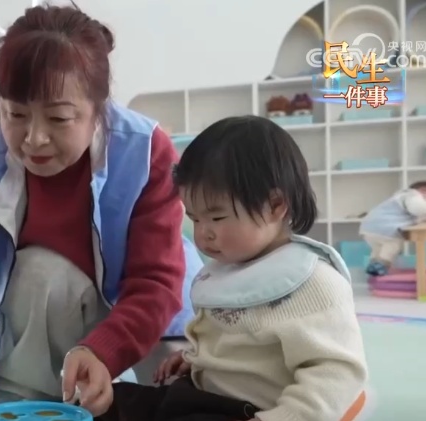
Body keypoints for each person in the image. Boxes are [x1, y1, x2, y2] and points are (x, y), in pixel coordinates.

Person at [0, 3, 203, 417]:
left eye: (59, 118)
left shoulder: (144, 153)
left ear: (98, 110)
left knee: (168, 395)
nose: (34, 138)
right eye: (15, 114)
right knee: (39, 269)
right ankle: (25, 395)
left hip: (150, 327)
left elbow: (155, 281)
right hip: (43, 343)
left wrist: (103, 352)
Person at [136, 116, 367, 421]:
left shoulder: (312, 281)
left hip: (252, 412)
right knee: (116, 401)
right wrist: (197, 358)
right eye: (194, 218)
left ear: (275, 205)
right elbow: (236, 345)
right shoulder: (226, 268)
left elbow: (336, 374)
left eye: (217, 218)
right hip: (202, 396)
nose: (202, 234)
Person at [359, 181, 426, 276]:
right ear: (423, 191)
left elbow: (420, 215)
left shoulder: (400, 198)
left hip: (369, 228)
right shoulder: (412, 195)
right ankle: (380, 266)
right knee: (394, 245)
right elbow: (419, 208)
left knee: (379, 249)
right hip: (384, 228)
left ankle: (373, 266)